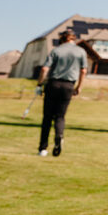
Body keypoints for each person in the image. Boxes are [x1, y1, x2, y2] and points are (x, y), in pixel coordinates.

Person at [37, 28, 87, 157]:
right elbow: (83, 71)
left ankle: (43, 148)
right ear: (73, 38)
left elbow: (44, 69)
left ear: (62, 38)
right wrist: (79, 87)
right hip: (68, 85)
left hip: (53, 84)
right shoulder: (81, 52)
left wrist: (39, 84)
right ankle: (59, 136)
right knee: (60, 116)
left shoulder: (56, 50)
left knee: (47, 117)